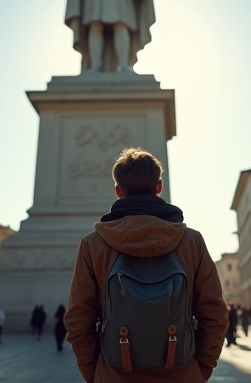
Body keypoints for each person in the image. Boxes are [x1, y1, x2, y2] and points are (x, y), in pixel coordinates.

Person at [64, 147, 228, 383]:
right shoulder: (192, 241)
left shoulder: (93, 244)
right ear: (159, 186)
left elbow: (78, 320)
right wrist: (201, 370)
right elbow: (215, 316)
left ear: (118, 191)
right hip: (183, 375)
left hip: (113, 375)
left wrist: (96, 374)